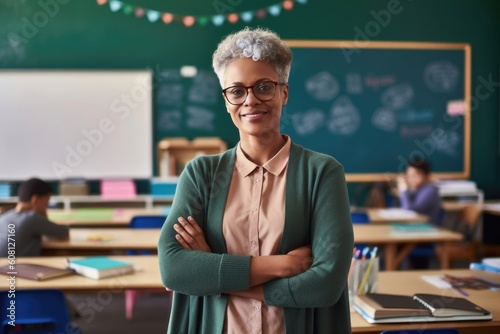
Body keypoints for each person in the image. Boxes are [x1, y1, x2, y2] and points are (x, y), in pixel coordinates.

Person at [157, 27, 354, 333]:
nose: (250, 100)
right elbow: (174, 270)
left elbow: (325, 285)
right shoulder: (201, 174)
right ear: (226, 101)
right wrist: (283, 266)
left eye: (264, 87)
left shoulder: (322, 172)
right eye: (236, 91)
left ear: (283, 92)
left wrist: (214, 269)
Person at [0, 178, 69, 257]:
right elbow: (64, 232)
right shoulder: (32, 218)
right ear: (35, 200)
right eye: (46, 203)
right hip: (17, 268)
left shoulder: (4, 217)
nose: (45, 207)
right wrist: (44, 216)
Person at [398, 159, 442, 226]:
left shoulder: (430, 190)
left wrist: (404, 189)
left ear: (426, 176)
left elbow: (408, 211)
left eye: (415, 175)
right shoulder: (416, 189)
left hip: (427, 228)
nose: (412, 179)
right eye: (409, 176)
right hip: (415, 227)